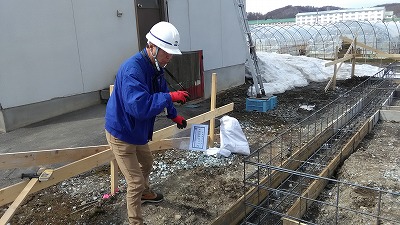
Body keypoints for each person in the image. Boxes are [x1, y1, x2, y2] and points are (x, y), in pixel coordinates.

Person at [104, 21, 190, 225]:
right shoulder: (133, 70)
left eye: (171, 53)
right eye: (166, 52)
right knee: (134, 181)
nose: (169, 57)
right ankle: (136, 221)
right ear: (151, 46)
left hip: (138, 130)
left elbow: (161, 93)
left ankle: (144, 192)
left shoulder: (156, 66)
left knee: (148, 162)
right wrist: (171, 97)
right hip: (122, 132)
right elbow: (140, 107)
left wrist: (173, 115)